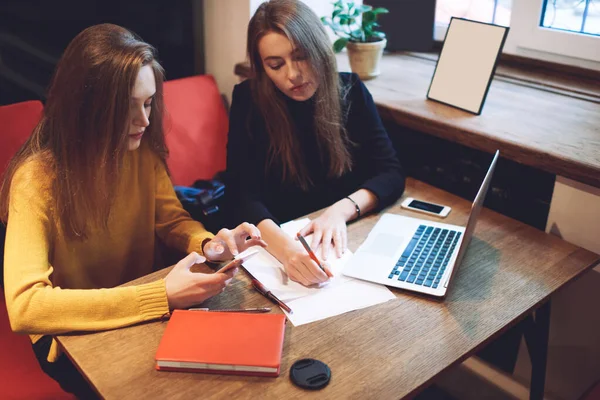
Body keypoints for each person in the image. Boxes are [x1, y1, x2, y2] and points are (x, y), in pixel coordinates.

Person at [0, 24, 265, 397]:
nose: (143, 120)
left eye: (148, 102)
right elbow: (26, 307)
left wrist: (208, 245)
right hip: (73, 333)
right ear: (85, 109)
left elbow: (171, 220)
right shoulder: (36, 179)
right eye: (127, 107)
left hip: (143, 306)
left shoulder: (141, 151)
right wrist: (161, 296)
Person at [226, 0, 405, 287]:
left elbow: (391, 173)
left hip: (344, 239)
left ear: (320, 49)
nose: (293, 75)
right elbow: (240, 194)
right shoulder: (249, 100)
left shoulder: (351, 90)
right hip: (281, 242)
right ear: (262, 67)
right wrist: (286, 250)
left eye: (301, 56)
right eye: (275, 65)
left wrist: (339, 211)